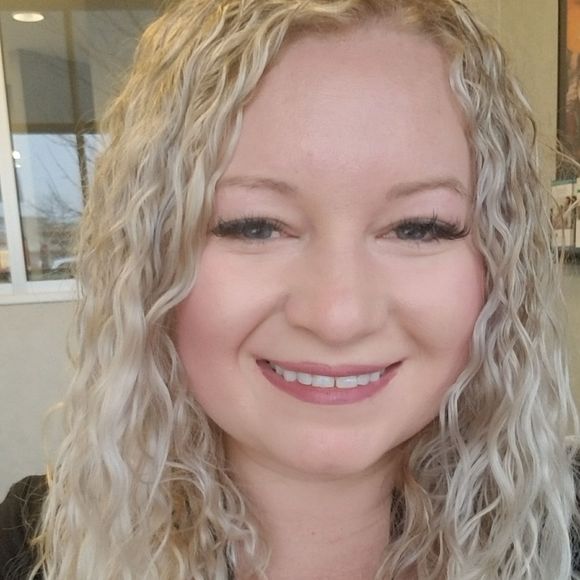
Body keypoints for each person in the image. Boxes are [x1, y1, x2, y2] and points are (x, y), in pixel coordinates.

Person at [1, 0, 579, 578]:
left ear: (499, 262)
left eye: (418, 227)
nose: (338, 315)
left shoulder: (564, 529)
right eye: (254, 225)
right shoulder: (30, 547)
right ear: (149, 259)